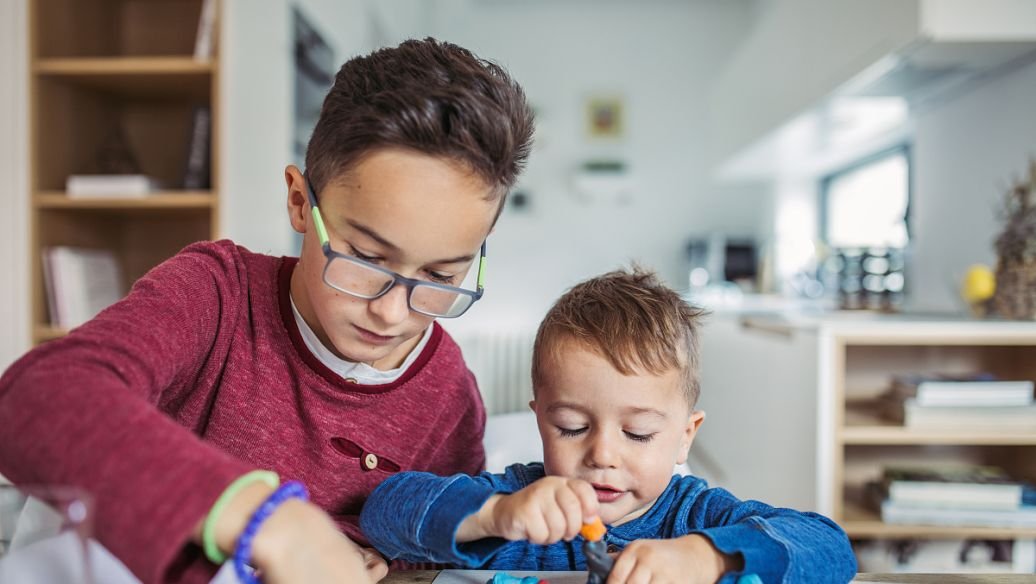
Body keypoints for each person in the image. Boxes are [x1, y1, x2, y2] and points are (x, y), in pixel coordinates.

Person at [0, 38, 534, 584]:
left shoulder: (448, 396)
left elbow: (433, 555)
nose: (394, 313)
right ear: (301, 203)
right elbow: (36, 398)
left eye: (441, 277)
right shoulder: (217, 294)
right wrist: (268, 520)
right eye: (368, 259)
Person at [359, 268, 858, 583]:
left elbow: (829, 546)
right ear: (540, 422)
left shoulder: (695, 516)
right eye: (573, 427)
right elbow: (385, 509)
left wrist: (709, 557)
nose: (602, 454)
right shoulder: (520, 501)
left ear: (686, 435)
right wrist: (494, 515)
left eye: (638, 433)